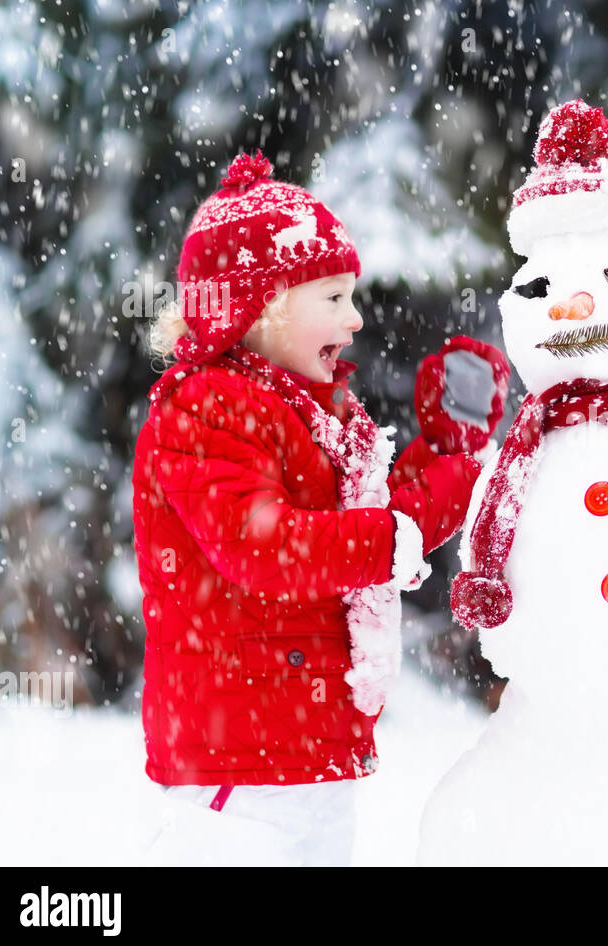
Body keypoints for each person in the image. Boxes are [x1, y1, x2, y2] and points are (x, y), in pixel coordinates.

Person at [132, 151, 507, 865]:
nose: (357, 319)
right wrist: (399, 529)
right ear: (256, 306)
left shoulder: (315, 411)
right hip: (236, 767)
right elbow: (264, 546)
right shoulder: (207, 408)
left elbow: (372, 523)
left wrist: (445, 456)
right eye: (332, 298)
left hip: (308, 751)